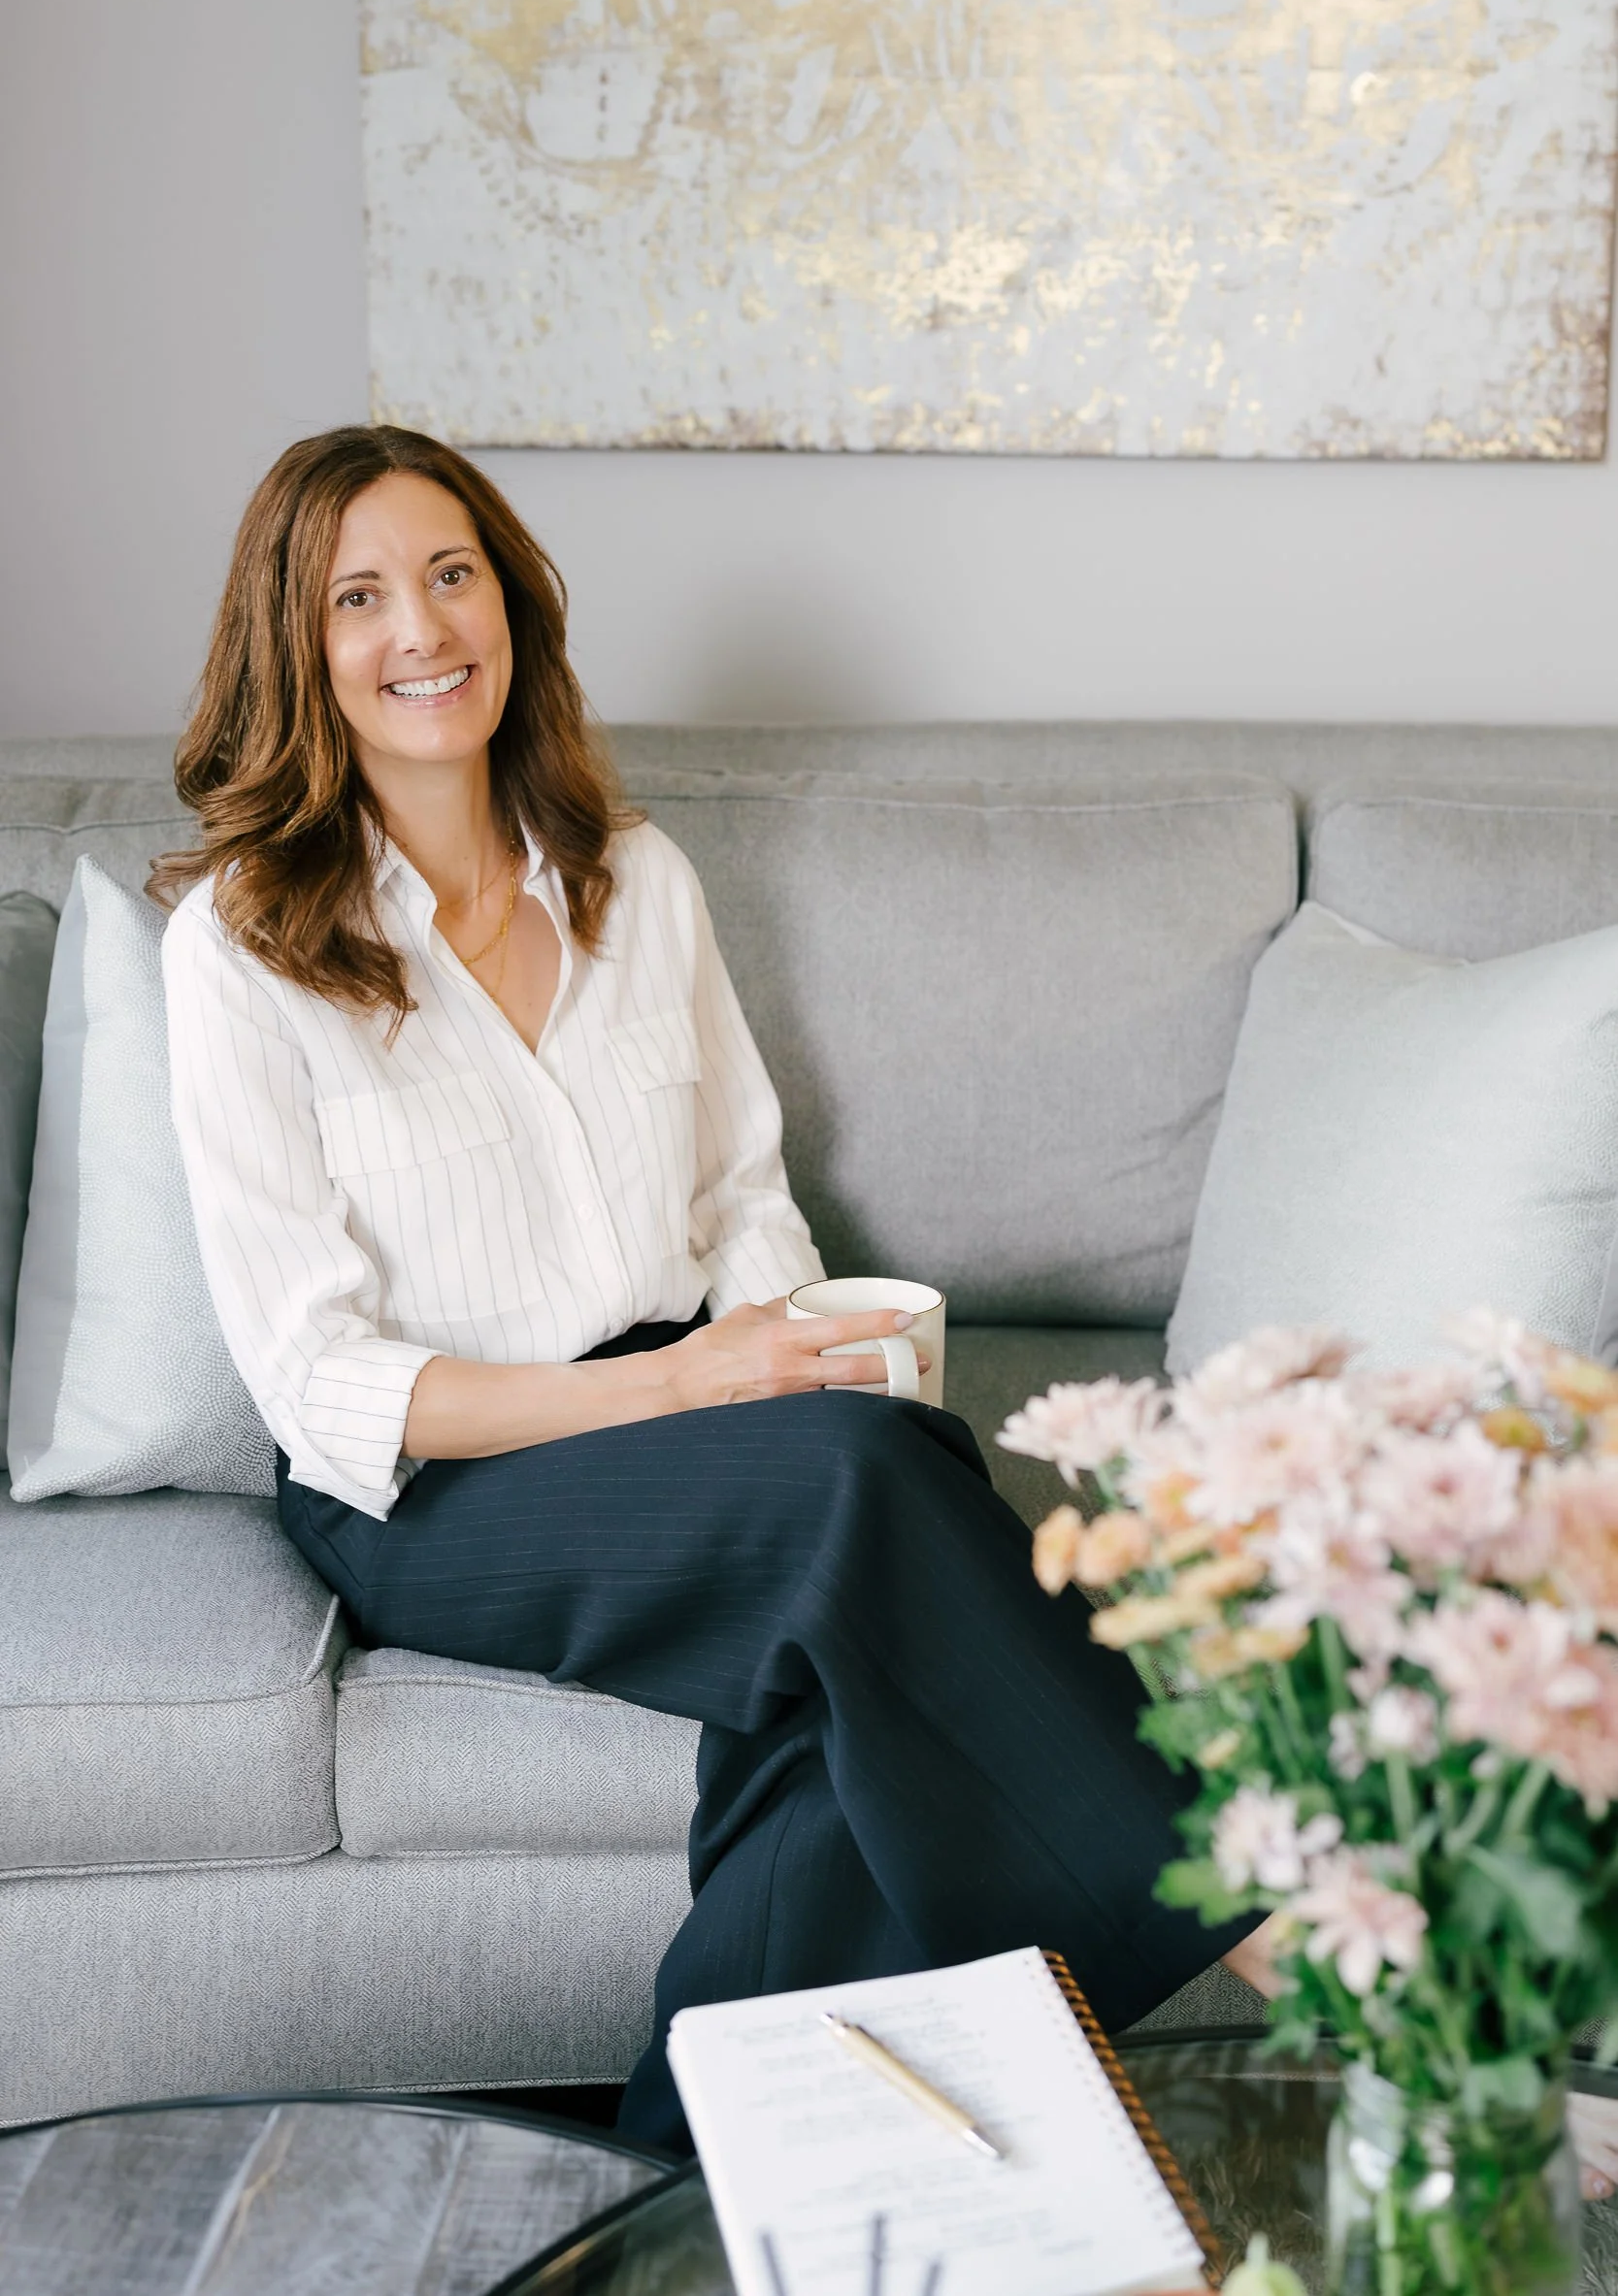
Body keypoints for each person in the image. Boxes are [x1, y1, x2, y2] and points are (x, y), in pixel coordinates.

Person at [152, 424, 1303, 2151]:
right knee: (863, 1492)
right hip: (433, 1485)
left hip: (684, 1428)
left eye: (452, 575)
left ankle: (680, 2177)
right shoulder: (242, 944)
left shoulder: (636, 880)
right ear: (294, 646)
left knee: (852, 1623)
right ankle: (1263, 1922)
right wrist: (690, 1385)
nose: (422, 629)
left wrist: (797, 1351)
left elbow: (741, 1198)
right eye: (358, 598)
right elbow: (317, 1382)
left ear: (511, 603)